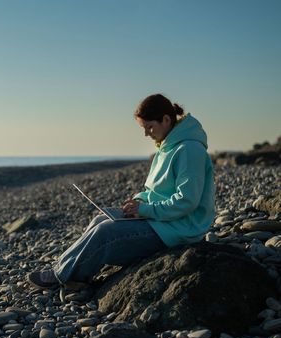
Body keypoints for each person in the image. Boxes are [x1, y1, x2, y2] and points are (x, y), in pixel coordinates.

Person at [27, 93, 216, 289]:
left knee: (106, 231)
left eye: (149, 127)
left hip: (181, 228)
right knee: (100, 219)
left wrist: (143, 210)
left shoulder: (189, 150)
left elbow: (187, 201)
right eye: (144, 129)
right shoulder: (167, 145)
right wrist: (137, 202)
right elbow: (159, 191)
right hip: (164, 219)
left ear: (166, 119)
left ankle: (64, 276)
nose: (146, 134)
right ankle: (65, 270)